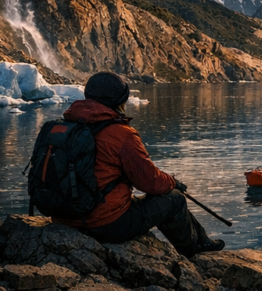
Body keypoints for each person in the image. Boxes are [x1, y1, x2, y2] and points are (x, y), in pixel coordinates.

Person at [55, 71, 223, 254]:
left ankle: (202, 239)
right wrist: (173, 182)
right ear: (119, 101)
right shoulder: (122, 134)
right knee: (174, 199)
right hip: (104, 224)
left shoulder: (64, 126)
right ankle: (194, 252)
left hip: (63, 218)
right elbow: (150, 182)